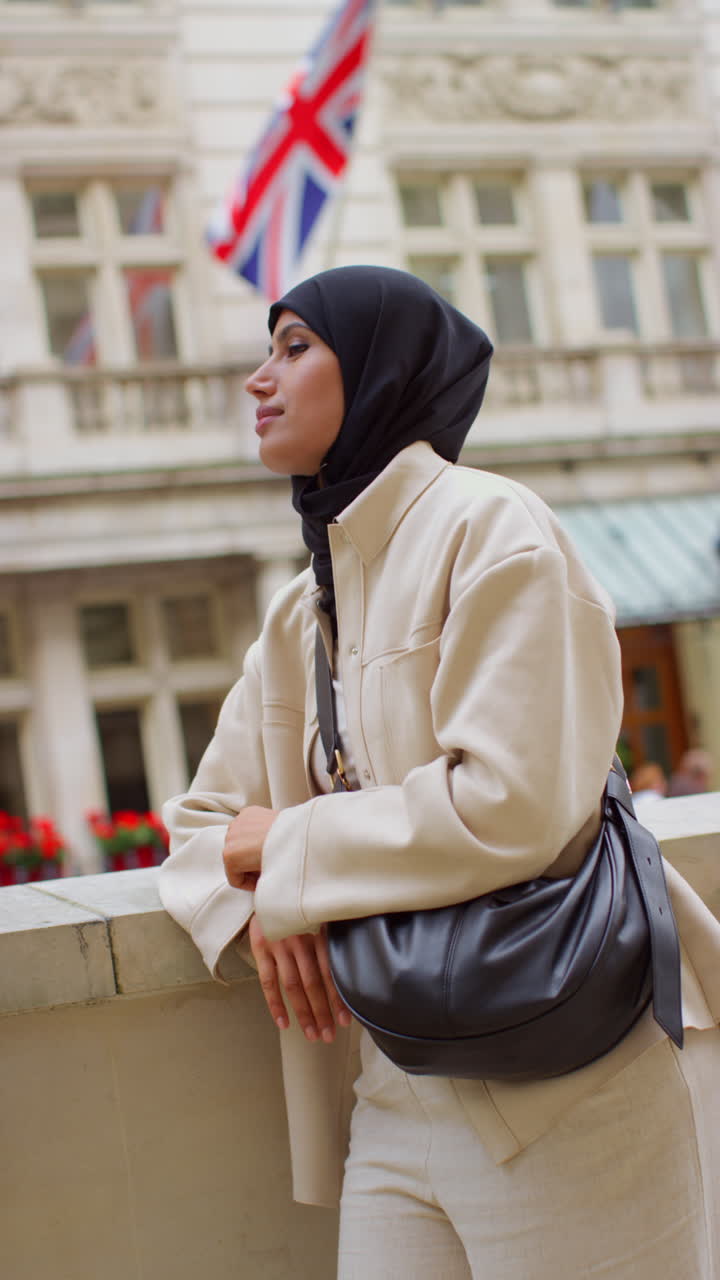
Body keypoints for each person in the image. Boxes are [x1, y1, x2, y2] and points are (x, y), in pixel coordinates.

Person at [159, 266, 720, 1280]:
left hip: (566, 1088)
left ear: (380, 369)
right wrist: (255, 907)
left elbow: (507, 806)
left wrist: (284, 851)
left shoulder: (493, 529)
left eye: (294, 347)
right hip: (387, 1091)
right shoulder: (304, 608)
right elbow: (200, 822)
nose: (259, 378)